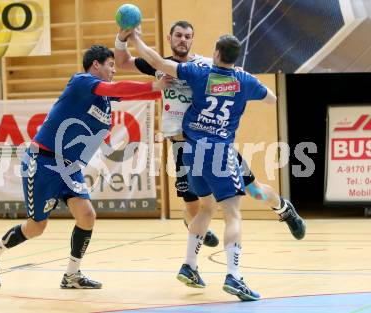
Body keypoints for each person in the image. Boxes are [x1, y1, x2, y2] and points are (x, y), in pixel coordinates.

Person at [126, 28, 305, 301]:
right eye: (179, 36)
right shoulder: (242, 79)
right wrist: (246, 81)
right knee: (233, 210)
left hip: (194, 151)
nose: (182, 40)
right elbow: (272, 99)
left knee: (218, 204)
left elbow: (158, 62)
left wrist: (135, 38)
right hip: (219, 153)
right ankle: (234, 276)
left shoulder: (199, 72)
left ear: (215, 53)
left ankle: (192, 264)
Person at [0, 45, 166, 290]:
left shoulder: (105, 98)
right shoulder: (81, 81)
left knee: (87, 216)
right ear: (95, 64)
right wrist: (154, 85)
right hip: (43, 161)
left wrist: (166, 90)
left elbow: (131, 94)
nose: (114, 70)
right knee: (36, 227)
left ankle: (71, 275)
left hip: (70, 167)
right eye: (111, 65)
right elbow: (118, 88)